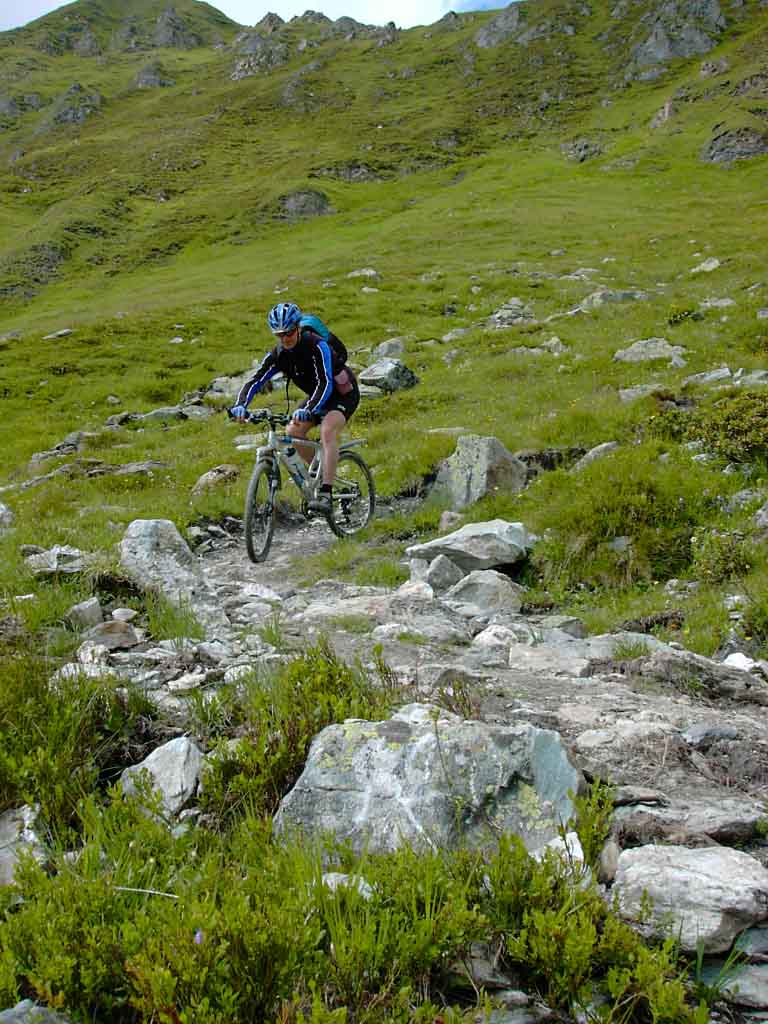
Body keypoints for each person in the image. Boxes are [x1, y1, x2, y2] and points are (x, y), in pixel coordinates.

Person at [230, 302, 359, 515]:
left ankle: (326, 494)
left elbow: (325, 382)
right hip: (315, 397)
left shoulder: (317, 345)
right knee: (292, 431)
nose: (285, 338)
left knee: (327, 430)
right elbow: (256, 380)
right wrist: (240, 405)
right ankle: (321, 474)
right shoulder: (279, 354)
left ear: (297, 327)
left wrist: (309, 408)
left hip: (342, 394)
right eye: (279, 334)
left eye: (289, 332)